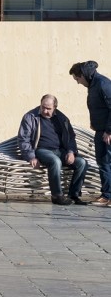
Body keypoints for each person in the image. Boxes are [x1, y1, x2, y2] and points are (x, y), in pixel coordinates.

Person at [18, 95, 88, 205]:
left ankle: (74, 195)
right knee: (55, 161)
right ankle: (56, 196)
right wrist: (31, 156)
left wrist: (71, 152)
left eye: (48, 109)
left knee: (82, 163)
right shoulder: (30, 117)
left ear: (55, 107)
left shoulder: (62, 118)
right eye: (43, 107)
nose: (45, 111)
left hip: (60, 150)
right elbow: (24, 139)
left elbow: (70, 137)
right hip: (41, 150)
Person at [69, 61, 111, 207]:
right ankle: (106, 195)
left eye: (77, 79)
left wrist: (108, 130)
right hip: (100, 130)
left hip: (107, 132)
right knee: (103, 163)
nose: (78, 83)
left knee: (107, 163)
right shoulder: (93, 84)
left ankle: (108, 196)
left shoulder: (102, 83)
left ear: (83, 75)